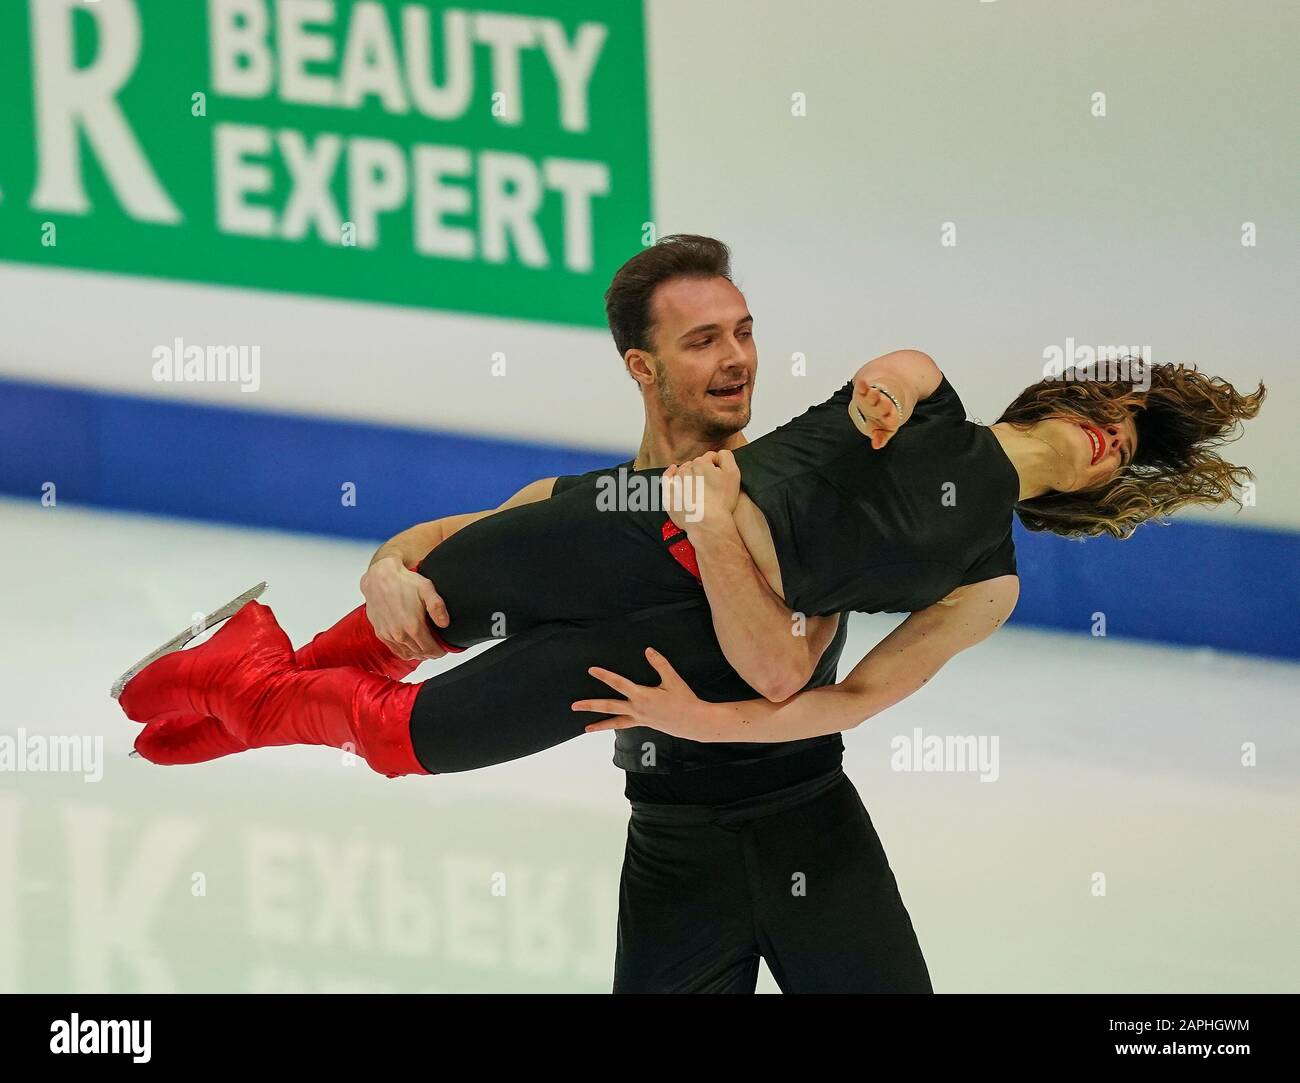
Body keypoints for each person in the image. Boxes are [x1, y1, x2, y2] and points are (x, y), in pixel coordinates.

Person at [114, 239, 1263, 986]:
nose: (735, 357)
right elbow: (897, 377)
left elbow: (827, 691)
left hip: (772, 775)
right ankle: (231, 684)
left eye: (743, 335)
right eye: (704, 340)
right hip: (653, 690)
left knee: (415, 736)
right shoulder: (913, 399)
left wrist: (709, 714)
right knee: (437, 639)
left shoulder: (986, 581)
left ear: (1112, 492)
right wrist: (383, 562)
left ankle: (232, 679)